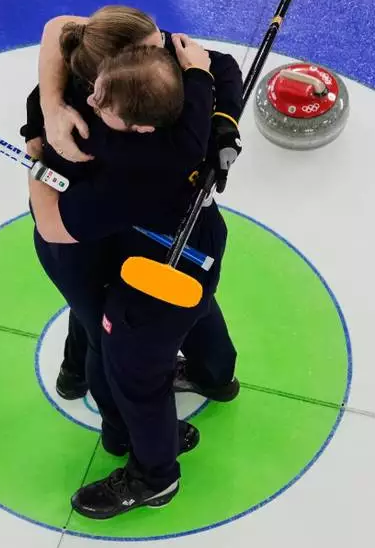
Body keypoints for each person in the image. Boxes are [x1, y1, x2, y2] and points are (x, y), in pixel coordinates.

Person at [26, 38, 239, 518]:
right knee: (199, 313)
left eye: (105, 106)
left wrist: (37, 156)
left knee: (135, 377)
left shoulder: (130, 174)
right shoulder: (191, 108)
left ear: (141, 128)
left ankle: (155, 477)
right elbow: (219, 65)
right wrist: (222, 122)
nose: (92, 105)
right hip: (196, 247)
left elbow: (53, 225)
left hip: (152, 278)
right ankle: (214, 377)